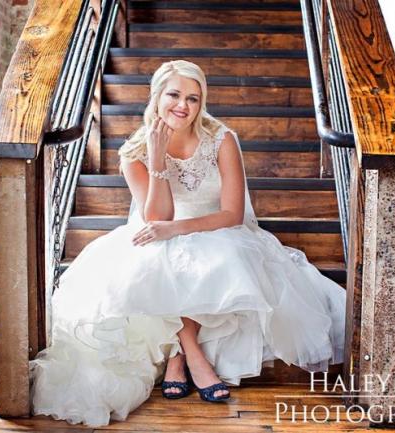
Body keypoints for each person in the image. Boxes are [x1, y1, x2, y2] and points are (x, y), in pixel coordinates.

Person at [30, 60, 346, 427]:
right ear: (157, 96)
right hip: (158, 230)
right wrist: (157, 158)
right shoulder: (133, 153)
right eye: (174, 95)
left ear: (201, 103)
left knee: (213, 256)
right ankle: (193, 355)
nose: (183, 105)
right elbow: (157, 216)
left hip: (216, 228)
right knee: (158, 258)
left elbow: (231, 214)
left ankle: (180, 357)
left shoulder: (222, 139)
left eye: (193, 98)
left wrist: (178, 229)